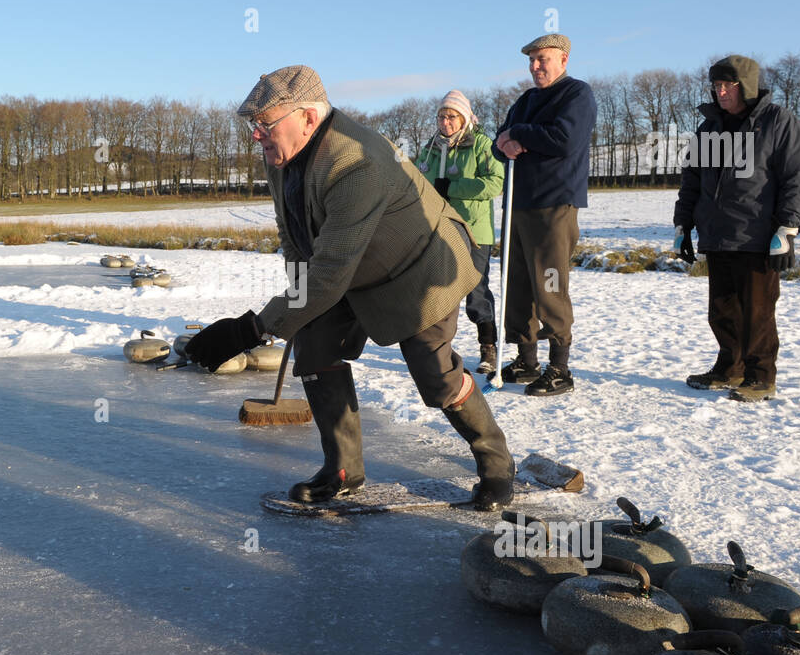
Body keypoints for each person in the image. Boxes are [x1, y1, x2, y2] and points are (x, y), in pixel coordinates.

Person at [185, 65, 516, 510]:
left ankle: (496, 462)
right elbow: (295, 237)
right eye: (253, 126)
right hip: (354, 267)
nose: (257, 136)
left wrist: (250, 329)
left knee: (434, 375)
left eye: (265, 124)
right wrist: (294, 311)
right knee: (314, 344)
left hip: (421, 264)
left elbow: (329, 273)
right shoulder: (282, 156)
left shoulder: (356, 161)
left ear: (306, 117)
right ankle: (342, 469)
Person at [672, 55, 800, 402]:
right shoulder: (709, 129)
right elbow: (692, 180)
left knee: (757, 311)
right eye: (716, 86)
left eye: (727, 85)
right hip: (717, 234)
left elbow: (797, 176)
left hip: (758, 235)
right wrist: (682, 224)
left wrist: (787, 227)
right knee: (722, 308)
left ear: (745, 86)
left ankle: (761, 376)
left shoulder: (777, 122)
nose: (720, 92)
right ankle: (729, 367)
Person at [491, 34, 595, 397]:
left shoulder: (576, 95)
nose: (536, 66)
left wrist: (518, 135)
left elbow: (563, 139)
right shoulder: (525, 100)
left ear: (563, 60)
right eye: (532, 59)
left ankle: (560, 367)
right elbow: (498, 142)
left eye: (543, 59)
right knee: (517, 284)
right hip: (518, 204)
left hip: (554, 206)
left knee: (549, 283)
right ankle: (526, 358)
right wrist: (507, 141)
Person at [414, 91, 504, 374]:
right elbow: (416, 182)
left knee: (476, 293)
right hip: (440, 230)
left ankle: (488, 348)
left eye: (451, 116)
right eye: (441, 116)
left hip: (475, 231)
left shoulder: (481, 145)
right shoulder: (430, 149)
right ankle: (439, 350)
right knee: (440, 292)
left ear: (464, 117)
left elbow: (494, 184)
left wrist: (452, 188)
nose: (445, 122)